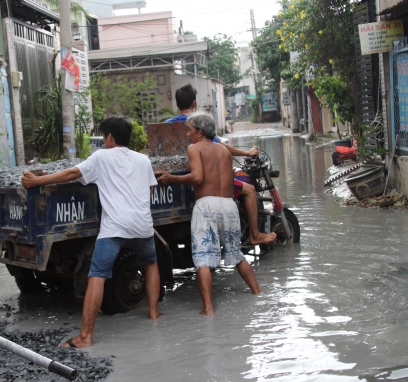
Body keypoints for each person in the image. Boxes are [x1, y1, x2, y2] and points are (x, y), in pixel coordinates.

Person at [22, 117, 162, 348]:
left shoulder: (100, 157)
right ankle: (154, 313)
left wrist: (38, 180)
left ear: (109, 137)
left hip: (115, 226)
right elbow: (147, 194)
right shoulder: (143, 160)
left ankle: (85, 336)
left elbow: (71, 174)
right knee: (151, 263)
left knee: (97, 275)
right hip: (143, 224)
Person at [156, 113, 262, 316]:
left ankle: (208, 308)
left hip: (206, 206)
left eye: (190, 130)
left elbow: (197, 177)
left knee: (202, 259)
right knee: (236, 253)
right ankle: (257, 292)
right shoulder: (224, 150)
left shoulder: (194, 148)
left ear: (200, 132)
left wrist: (172, 178)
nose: (188, 134)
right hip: (229, 205)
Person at [165, 84, 275, 245]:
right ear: (194, 104)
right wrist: (246, 153)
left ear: (177, 104)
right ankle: (255, 234)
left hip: (182, 180)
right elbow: (219, 147)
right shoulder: (198, 124)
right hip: (207, 183)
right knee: (250, 190)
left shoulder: (167, 124)